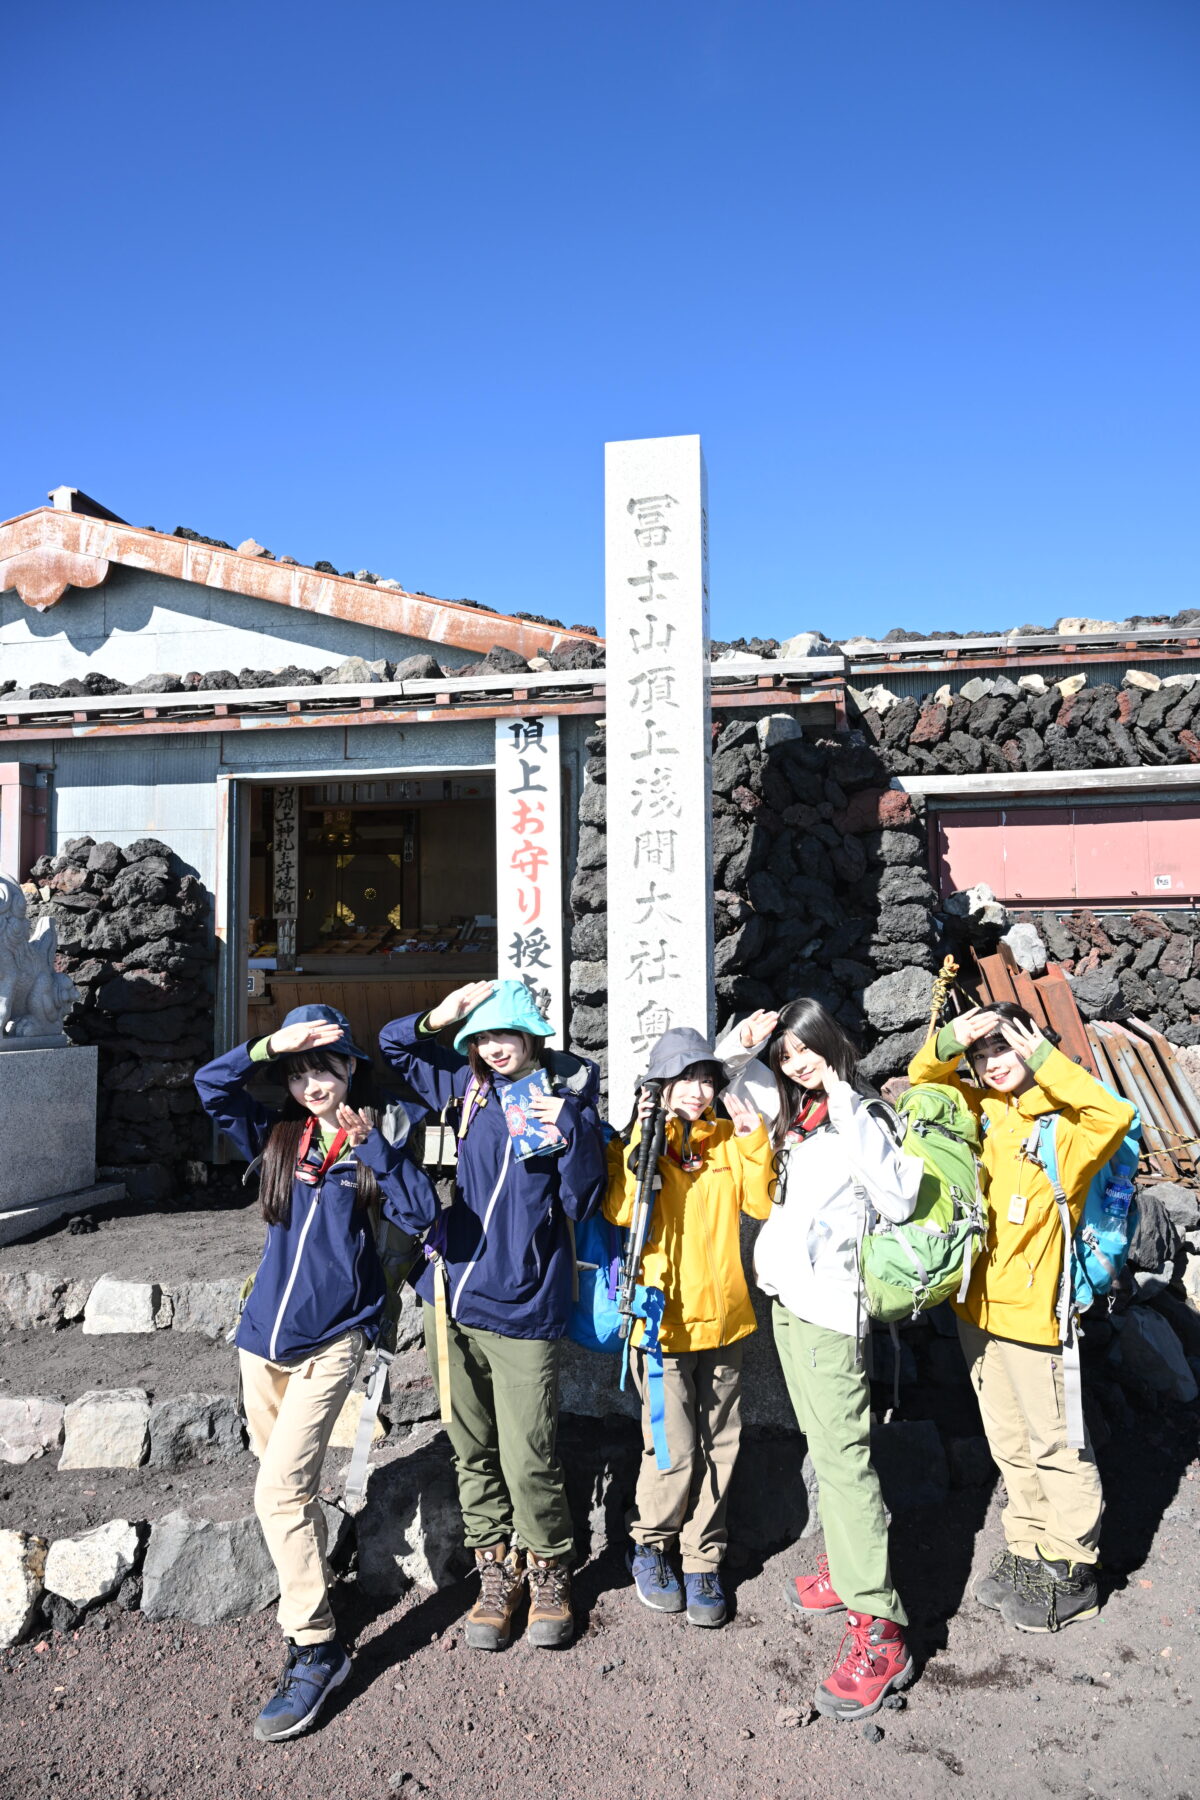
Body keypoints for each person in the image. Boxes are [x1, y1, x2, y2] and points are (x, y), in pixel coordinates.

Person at [194, 1003, 436, 1743]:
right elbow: (210, 1084)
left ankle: (315, 1646)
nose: (311, 1081)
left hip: (334, 1340)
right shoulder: (275, 1139)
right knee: (283, 1487)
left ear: (350, 1072)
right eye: (298, 1072)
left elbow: (423, 1209)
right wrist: (272, 1042)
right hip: (261, 1339)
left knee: (277, 1488)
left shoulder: (375, 1142)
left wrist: (377, 1153)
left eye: (325, 1066)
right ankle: (314, 1578)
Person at [379, 978, 605, 1651]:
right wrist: (441, 1014)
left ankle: (549, 1570)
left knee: (530, 1453)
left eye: (505, 1034)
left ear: (533, 1036)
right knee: (472, 1448)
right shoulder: (465, 1090)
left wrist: (574, 1134)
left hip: (526, 1304)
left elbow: (583, 1201)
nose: (494, 1047)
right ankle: (494, 1571)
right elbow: (393, 1049)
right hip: (451, 1296)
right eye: (482, 1036)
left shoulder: (559, 1103)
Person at [717, 999, 923, 1719]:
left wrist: (839, 1096)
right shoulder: (794, 1116)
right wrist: (740, 1045)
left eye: (805, 1048)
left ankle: (881, 1628)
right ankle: (846, 1565)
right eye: (787, 1056)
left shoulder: (858, 1114)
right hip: (790, 1303)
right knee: (826, 1446)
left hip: (833, 1314)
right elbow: (716, 1086)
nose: (796, 1062)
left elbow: (899, 1200)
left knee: (845, 1460)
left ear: (830, 1042)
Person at [908, 1002, 1135, 1633]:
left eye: (1003, 1049)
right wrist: (956, 1036)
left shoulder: (1067, 1127)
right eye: (983, 1056)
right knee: (1008, 1438)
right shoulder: (984, 1114)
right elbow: (925, 1081)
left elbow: (1113, 1113)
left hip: (1038, 1316)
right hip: (977, 1309)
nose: (991, 1063)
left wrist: (1038, 1056)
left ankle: (1073, 1563)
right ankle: (1029, 1544)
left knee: (1057, 1440)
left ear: (1033, 1050)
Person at [605, 1027, 773, 1629]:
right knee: (672, 1448)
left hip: (725, 1318)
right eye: (687, 1079)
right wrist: (641, 1140)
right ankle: (651, 1546)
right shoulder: (639, 1141)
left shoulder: (727, 1140)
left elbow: (759, 1203)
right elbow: (622, 1210)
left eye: (707, 1080)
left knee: (720, 1445)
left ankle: (704, 1558)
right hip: (660, 1325)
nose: (700, 1091)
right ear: (660, 1084)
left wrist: (755, 1142)